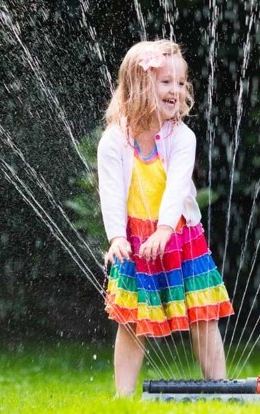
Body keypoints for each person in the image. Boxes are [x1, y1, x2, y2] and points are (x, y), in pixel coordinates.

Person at [97, 39, 235, 397]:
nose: (176, 90)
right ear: (140, 85)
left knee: (203, 314)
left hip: (180, 237)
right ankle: (123, 397)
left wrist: (164, 228)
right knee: (131, 321)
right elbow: (111, 192)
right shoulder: (114, 140)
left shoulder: (182, 137)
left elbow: (176, 188)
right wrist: (116, 237)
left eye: (181, 82)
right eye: (166, 82)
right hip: (136, 243)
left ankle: (219, 388)